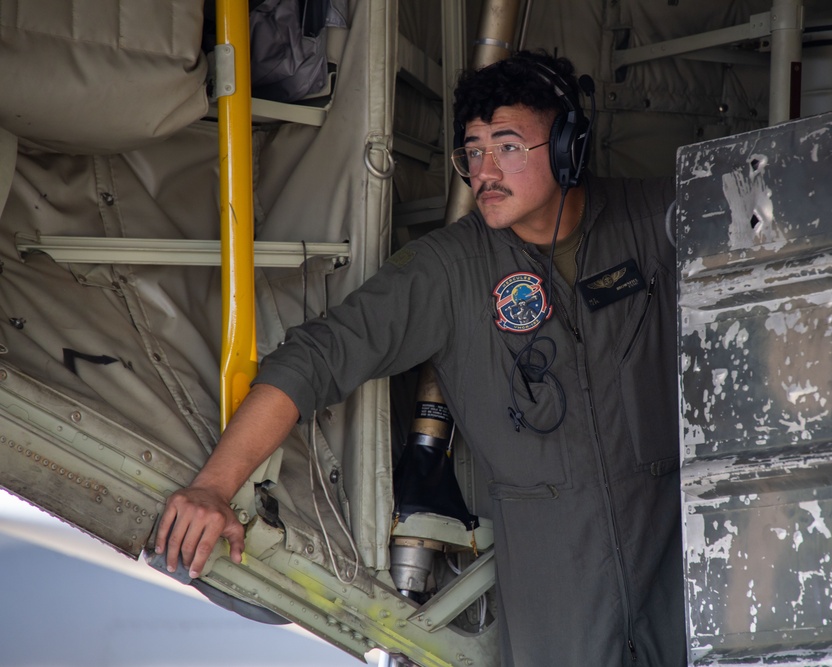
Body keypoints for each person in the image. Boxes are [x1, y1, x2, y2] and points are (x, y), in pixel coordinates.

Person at [156, 50, 685, 666]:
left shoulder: (659, 220)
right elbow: (316, 358)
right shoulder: (450, 270)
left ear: (569, 146)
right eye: (474, 149)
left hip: (679, 544)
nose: (484, 170)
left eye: (508, 146)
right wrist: (214, 487)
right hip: (554, 577)